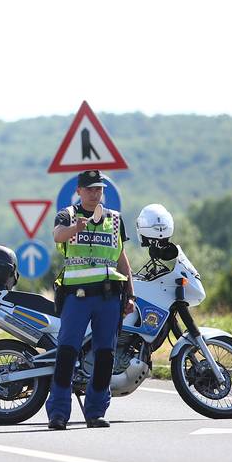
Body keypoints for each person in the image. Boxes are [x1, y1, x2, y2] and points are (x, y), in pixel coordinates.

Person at [46, 170, 135, 430]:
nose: (95, 193)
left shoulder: (115, 220)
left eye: (99, 189)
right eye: (90, 189)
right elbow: (57, 235)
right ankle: (58, 413)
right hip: (78, 296)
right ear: (79, 190)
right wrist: (76, 227)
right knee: (67, 353)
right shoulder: (68, 215)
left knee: (105, 355)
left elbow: (121, 258)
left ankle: (96, 412)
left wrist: (130, 295)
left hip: (108, 297)